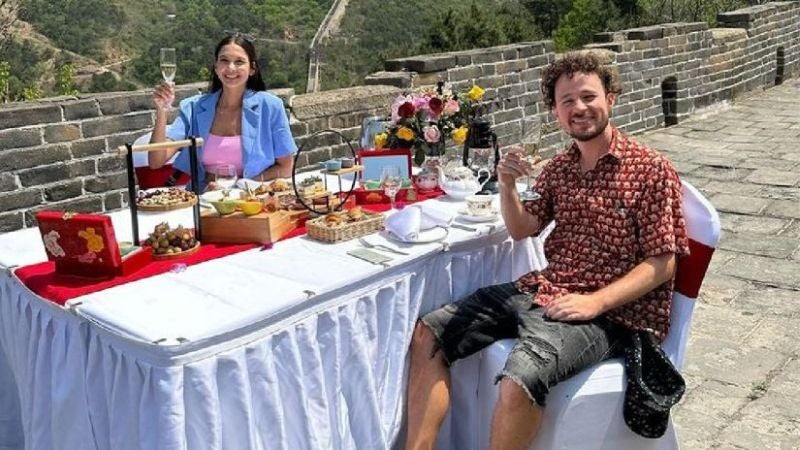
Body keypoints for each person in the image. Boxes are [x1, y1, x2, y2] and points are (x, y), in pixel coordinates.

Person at [405, 51, 690, 450]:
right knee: (430, 333)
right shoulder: (560, 168)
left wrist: (595, 302)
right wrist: (505, 185)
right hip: (546, 290)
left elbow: (662, 264)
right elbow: (522, 228)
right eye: (567, 101)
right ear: (555, 112)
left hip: (612, 316)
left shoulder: (650, 169)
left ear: (611, 98)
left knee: (519, 381)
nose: (579, 108)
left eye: (589, 97)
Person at [148, 33, 297, 188]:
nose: (231, 68)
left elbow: (286, 167)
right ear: (216, 66)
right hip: (204, 201)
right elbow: (156, 161)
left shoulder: (270, 106)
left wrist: (239, 186)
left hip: (252, 201)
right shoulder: (193, 108)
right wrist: (162, 110)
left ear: (252, 69)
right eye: (224, 61)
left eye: (239, 62)